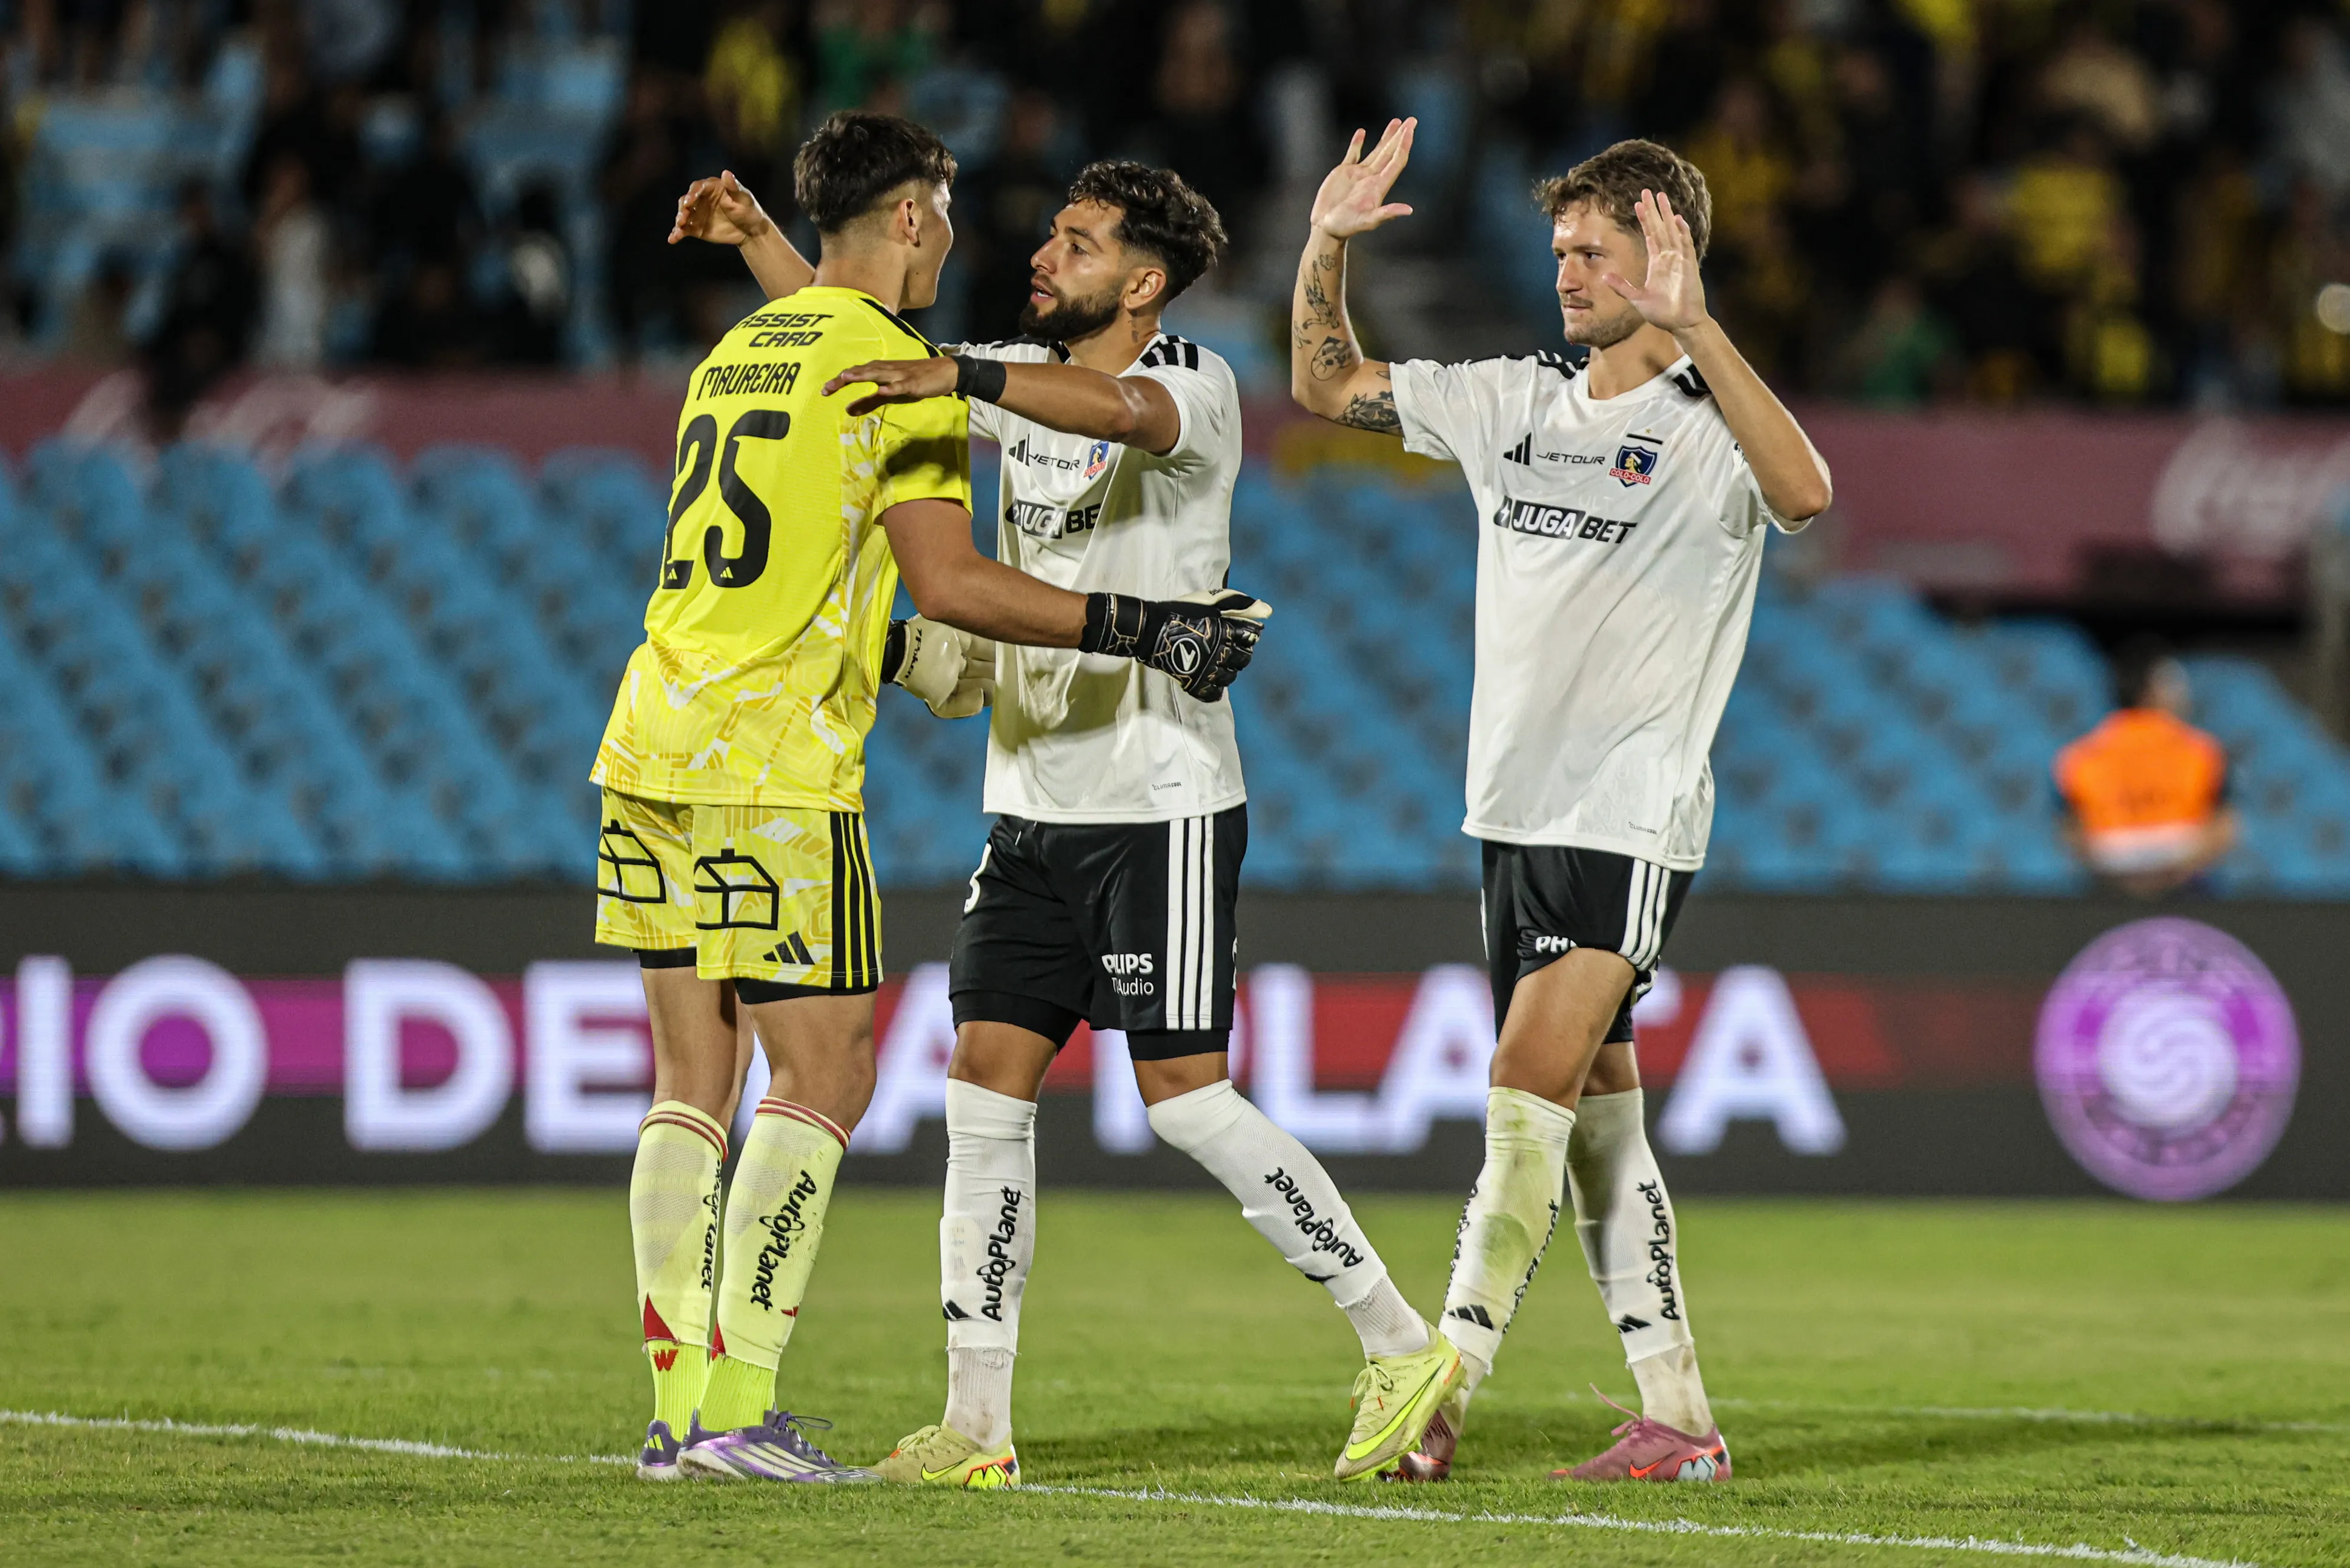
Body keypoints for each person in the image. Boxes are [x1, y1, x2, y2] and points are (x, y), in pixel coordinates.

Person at [671, 154, 1459, 1488]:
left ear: (1142, 283)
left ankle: (1396, 1340)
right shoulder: (1009, 376)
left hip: (1161, 802)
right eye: (1049, 234)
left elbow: (1118, 409)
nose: (1043, 254)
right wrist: (763, 247)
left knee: (1183, 1101)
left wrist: (964, 376)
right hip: (1027, 804)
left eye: (1078, 245)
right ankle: (977, 1423)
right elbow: (865, 349)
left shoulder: (1193, 385)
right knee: (980, 1089)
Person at [599, 110, 1268, 1486]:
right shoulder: (906, 379)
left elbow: (823, 336)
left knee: (690, 1079)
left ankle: (679, 1412)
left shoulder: (734, 351)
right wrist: (1142, 626)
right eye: (950, 213)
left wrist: (761, 250)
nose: (961, 238)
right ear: (912, 218)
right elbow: (955, 584)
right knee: (829, 1069)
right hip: (776, 760)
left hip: (648, 737)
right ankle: (737, 1407)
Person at [1288, 122, 1833, 1483]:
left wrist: (1699, 329)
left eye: (1592, 250)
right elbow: (1325, 384)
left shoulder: (1712, 422)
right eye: (1559, 251)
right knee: (1598, 1124)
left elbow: (1808, 495)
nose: (1566, 272)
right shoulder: (1512, 395)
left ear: (1664, 252)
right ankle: (1680, 1417)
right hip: (1510, 811)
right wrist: (1324, 246)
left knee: (1523, 1083)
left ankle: (1440, 1380)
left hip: (1627, 809)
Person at [2053, 643, 2235, 895]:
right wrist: (2174, 872)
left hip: (2109, 883)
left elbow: (2070, 832)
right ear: (2153, 690)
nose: (2183, 691)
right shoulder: (2201, 750)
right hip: (2184, 885)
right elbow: (2225, 827)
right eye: (2173, 682)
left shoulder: (2079, 755)